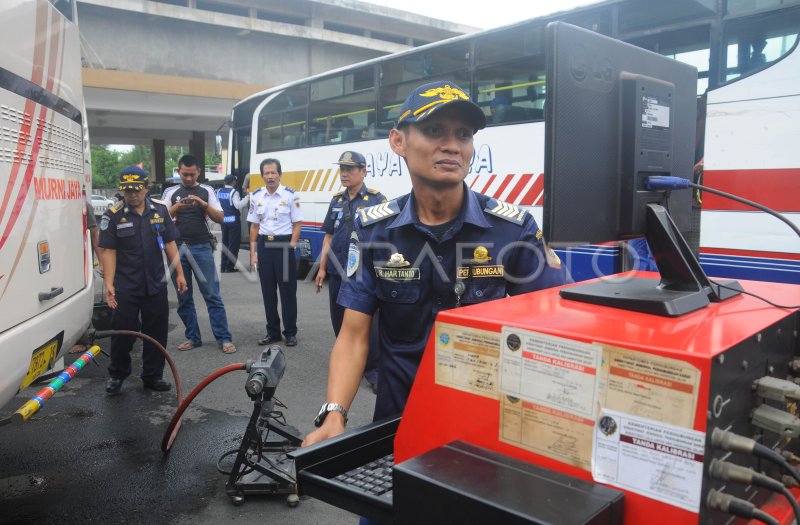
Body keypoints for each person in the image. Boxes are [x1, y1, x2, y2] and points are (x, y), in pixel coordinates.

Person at [303, 81, 570, 448]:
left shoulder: (513, 229)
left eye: (463, 134)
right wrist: (335, 414)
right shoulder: (372, 231)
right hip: (399, 426)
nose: (452, 145)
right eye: (433, 131)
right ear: (398, 142)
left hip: (486, 429)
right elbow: (353, 336)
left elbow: (558, 329)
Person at [98, 166, 188, 394]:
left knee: (156, 331)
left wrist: (179, 273)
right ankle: (117, 375)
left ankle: (152, 376)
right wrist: (108, 284)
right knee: (123, 331)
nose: (132, 194)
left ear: (146, 188)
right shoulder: (114, 214)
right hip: (126, 285)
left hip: (155, 283)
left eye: (137, 189)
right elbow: (108, 250)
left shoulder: (160, 210)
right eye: (127, 190)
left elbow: (169, 243)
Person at [315, 151, 386, 392]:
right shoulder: (336, 200)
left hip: (363, 273)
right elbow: (328, 236)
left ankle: (374, 371)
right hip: (337, 270)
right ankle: (349, 363)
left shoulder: (376, 199)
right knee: (339, 321)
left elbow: (384, 237)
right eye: (342, 168)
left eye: (350, 168)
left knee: (368, 323)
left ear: (364, 170)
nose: (344, 173)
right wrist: (322, 268)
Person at [162, 154, 237, 354]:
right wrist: (177, 207)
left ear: (199, 173)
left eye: (192, 175)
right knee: (184, 297)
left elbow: (221, 218)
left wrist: (202, 204)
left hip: (202, 247)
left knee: (212, 295)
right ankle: (193, 337)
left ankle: (224, 338)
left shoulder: (207, 191)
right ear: (178, 172)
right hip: (176, 248)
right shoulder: (170, 192)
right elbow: (160, 219)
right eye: (184, 174)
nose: (188, 179)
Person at [248, 158, 302, 347]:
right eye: (266, 173)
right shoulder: (256, 196)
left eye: (273, 172)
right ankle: (273, 332)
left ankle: (290, 332)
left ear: (280, 174)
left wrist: (292, 246)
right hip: (264, 247)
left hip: (283, 246)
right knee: (268, 292)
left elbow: (297, 224)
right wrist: (253, 253)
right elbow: (254, 226)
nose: (270, 176)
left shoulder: (291, 196)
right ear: (262, 175)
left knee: (288, 292)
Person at [216, 174, 250, 273]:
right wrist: (247, 198)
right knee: (233, 245)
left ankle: (223, 266)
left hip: (223, 220)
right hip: (233, 221)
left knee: (225, 244)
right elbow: (238, 205)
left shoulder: (219, 191)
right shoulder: (234, 192)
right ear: (233, 182)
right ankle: (229, 267)